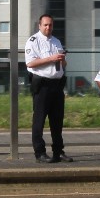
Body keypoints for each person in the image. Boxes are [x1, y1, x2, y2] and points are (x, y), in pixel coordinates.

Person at [25, 13, 70, 164]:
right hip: (42, 85)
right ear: (39, 26)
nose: (48, 27)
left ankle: (58, 151)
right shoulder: (33, 41)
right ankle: (40, 152)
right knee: (39, 120)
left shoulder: (56, 41)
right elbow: (30, 63)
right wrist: (51, 58)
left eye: (50, 25)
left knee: (57, 121)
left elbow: (63, 64)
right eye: (45, 25)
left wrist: (62, 60)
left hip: (57, 84)